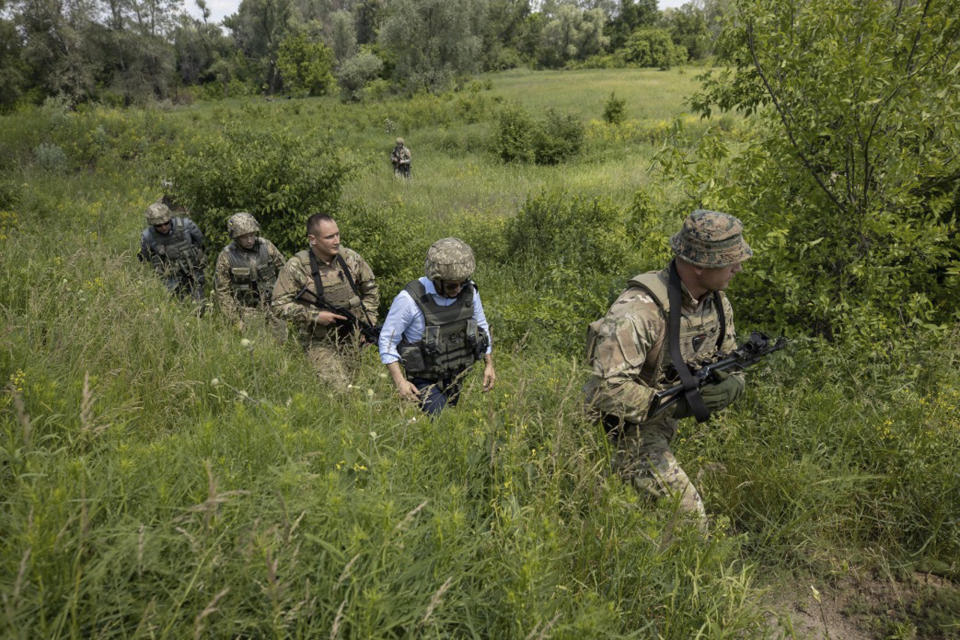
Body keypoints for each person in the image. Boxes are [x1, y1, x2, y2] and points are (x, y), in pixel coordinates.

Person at [583, 209, 753, 528]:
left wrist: (733, 383)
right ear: (701, 264)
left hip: (658, 421)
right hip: (621, 428)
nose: (738, 268)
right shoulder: (638, 312)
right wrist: (680, 403)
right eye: (730, 259)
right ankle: (690, 574)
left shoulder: (716, 303)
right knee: (690, 517)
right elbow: (607, 390)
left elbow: (729, 355)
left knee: (637, 515)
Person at [379, 237, 496, 416]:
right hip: (424, 379)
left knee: (453, 419)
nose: (458, 289)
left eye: (462, 283)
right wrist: (400, 382)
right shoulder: (409, 300)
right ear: (436, 279)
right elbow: (387, 339)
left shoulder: (469, 291)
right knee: (445, 422)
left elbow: (481, 325)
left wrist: (489, 364)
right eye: (451, 286)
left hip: (456, 374)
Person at [271, 213, 379, 388]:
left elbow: (371, 289)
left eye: (337, 234)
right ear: (313, 239)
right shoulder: (297, 266)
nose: (336, 240)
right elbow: (278, 305)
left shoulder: (350, 258)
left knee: (360, 386)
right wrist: (314, 316)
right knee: (340, 389)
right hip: (319, 342)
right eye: (329, 237)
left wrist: (368, 322)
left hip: (354, 338)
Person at [213, 212, 286, 326]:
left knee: (282, 340)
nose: (250, 240)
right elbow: (223, 292)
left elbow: (285, 274)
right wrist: (235, 320)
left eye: (252, 235)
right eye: (244, 237)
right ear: (236, 237)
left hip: (273, 304)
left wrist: (283, 302)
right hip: (245, 310)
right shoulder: (226, 256)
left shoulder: (267, 246)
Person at [138, 201, 206, 301]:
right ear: (152, 224)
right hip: (170, 279)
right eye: (159, 225)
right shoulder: (148, 236)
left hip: (193, 272)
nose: (163, 227)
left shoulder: (187, 225)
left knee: (200, 305)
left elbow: (201, 242)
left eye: (166, 223)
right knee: (177, 305)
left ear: (170, 219)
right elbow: (145, 257)